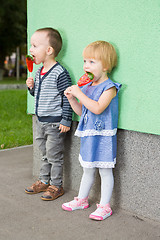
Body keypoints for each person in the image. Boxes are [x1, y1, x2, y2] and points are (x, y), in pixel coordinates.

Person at [62, 41, 121, 220]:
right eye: (85, 61)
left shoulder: (109, 88)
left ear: (106, 66)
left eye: (92, 62)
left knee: (104, 170)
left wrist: (80, 94)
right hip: (88, 134)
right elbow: (82, 111)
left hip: (103, 136)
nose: (86, 66)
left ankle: (105, 206)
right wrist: (73, 99)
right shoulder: (86, 87)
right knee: (87, 169)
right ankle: (82, 199)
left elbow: (97, 108)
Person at [25, 27, 72, 201]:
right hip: (40, 121)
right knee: (44, 153)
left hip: (55, 123)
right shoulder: (38, 72)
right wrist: (32, 88)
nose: (30, 50)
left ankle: (56, 185)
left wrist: (66, 119)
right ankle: (44, 180)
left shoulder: (60, 72)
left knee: (54, 156)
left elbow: (67, 97)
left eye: (35, 46)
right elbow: (40, 95)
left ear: (49, 50)